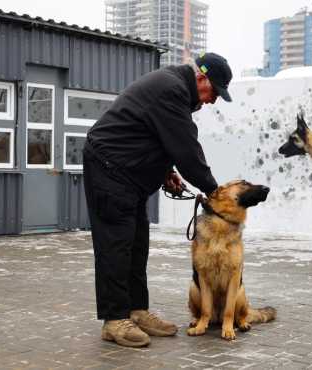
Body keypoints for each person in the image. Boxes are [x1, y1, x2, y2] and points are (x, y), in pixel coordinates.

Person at [82, 52, 233, 347]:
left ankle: (137, 311)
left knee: (137, 246)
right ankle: (114, 321)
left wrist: (166, 172)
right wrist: (216, 193)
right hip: (110, 171)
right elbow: (186, 148)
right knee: (116, 247)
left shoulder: (174, 87)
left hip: (128, 177)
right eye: (214, 92)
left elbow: (155, 134)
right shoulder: (171, 89)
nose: (213, 100)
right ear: (201, 78)